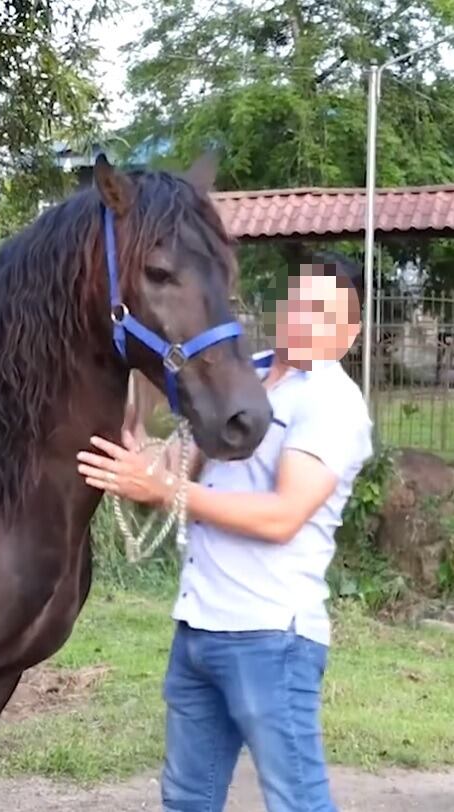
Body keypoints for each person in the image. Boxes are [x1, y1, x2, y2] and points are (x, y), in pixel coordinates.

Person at [76, 255, 374, 812]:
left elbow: (283, 516)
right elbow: (178, 466)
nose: (303, 320)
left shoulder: (332, 404)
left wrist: (169, 493)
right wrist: (139, 453)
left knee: (297, 801)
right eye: (298, 303)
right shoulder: (248, 377)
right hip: (199, 628)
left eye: (323, 312)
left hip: (270, 637)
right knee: (188, 798)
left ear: (348, 332)